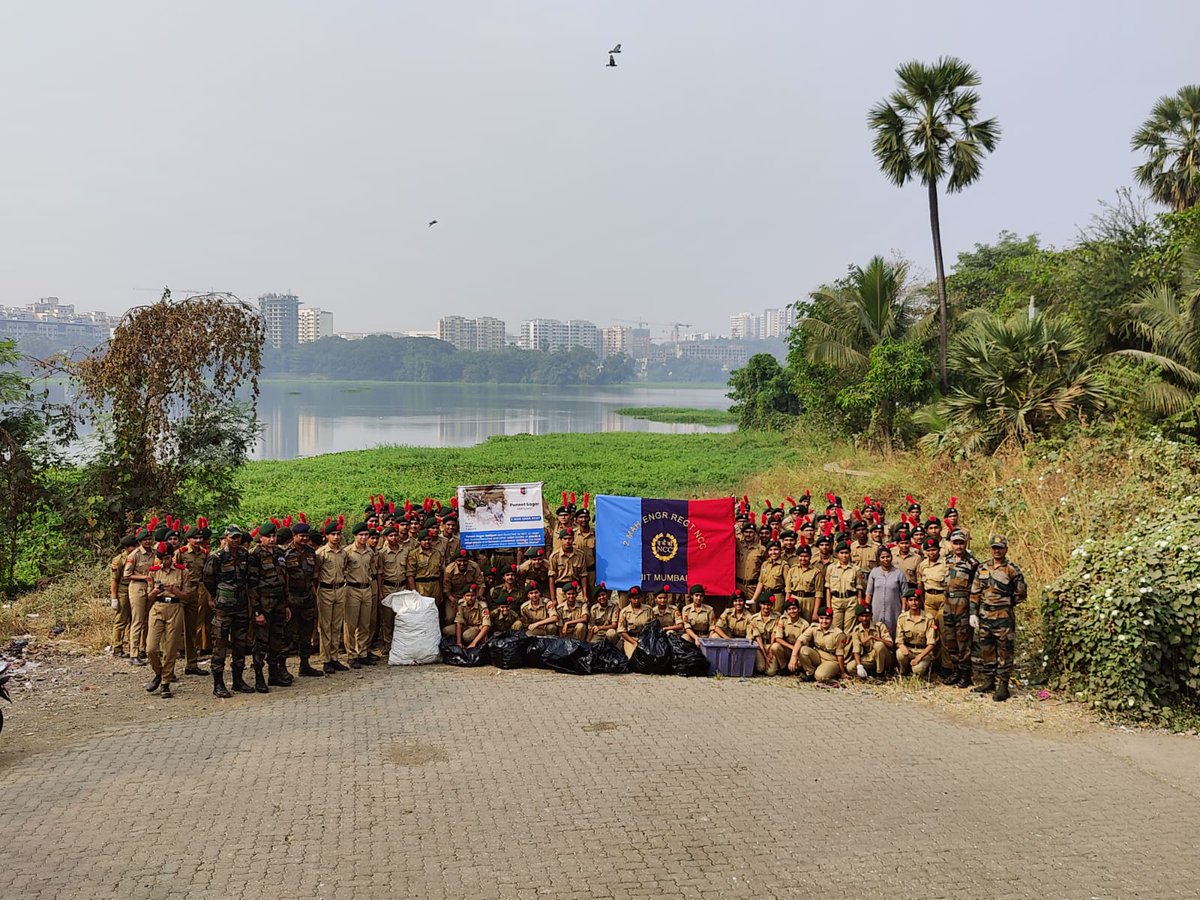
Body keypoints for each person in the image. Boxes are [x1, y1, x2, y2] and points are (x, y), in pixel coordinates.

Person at [970, 535, 1027, 702]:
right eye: (994, 547)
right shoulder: (982, 568)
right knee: (986, 649)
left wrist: (1005, 604)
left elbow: (1021, 593)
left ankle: (1003, 685)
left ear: (1006, 549)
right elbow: (975, 592)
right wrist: (973, 612)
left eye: (1000, 547)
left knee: (1005, 651)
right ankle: (989, 681)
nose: (997, 550)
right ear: (990, 549)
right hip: (984, 617)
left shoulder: (1012, 569)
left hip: (1003, 618)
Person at [203, 525, 257, 697]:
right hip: (223, 608)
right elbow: (208, 580)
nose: (235, 540)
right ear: (225, 538)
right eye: (232, 537)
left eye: (238, 537)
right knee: (220, 644)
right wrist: (217, 596)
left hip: (241, 606)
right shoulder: (216, 557)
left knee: (240, 644)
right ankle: (218, 684)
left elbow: (249, 579)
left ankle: (238, 680)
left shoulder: (244, 555)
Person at [144, 541, 192, 698]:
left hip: (175, 608)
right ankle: (158, 673)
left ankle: (165, 683)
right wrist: (155, 591)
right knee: (150, 648)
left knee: (171, 649)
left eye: (167, 558)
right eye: (162, 558)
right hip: (158, 608)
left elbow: (187, 596)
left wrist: (175, 591)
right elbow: (148, 596)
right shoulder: (153, 572)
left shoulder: (182, 572)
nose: (165, 561)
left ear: (172, 556)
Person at [250, 522, 292, 691]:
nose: (272, 539)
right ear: (261, 538)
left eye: (274, 536)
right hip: (264, 604)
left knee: (277, 639)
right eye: (269, 537)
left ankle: (273, 674)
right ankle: (259, 677)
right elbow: (252, 586)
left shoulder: (280, 553)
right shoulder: (255, 556)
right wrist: (257, 611)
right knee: (261, 642)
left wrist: (286, 604)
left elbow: (285, 580)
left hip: (280, 603)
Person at [280, 523, 322, 677]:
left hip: (307, 598)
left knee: (306, 633)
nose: (304, 539)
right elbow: (282, 577)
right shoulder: (285, 553)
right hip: (291, 598)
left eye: (306, 536)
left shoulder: (311, 552)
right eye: (301, 536)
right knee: (287, 634)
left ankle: (304, 665)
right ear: (294, 536)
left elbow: (313, 577)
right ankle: (282, 667)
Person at [942, 529, 978, 688]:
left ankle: (965, 674)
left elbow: (977, 588)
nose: (958, 546)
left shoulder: (972, 563)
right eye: (955, 543)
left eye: (961, 543)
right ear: (951, 544)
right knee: (950, 639)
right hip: (948, 603)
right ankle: (955, 671)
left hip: (963, 605)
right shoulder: (947, 560)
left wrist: (973, 611)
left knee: (963, 641)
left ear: (965, 543)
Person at [314, 520, 349, 674]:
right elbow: (316, 574)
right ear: (327, 536)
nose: (336, 537)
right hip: (325, 590)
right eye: (333, 534)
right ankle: (325, 659)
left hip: (340, 589)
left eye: (338, 534)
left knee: (336, 626)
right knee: (325, 627)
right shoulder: (321, 553)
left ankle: (334, 658)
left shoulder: (343, 553)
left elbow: (345, 568)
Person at [343, 522, 378, 669]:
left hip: (366, 588)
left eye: (366, 535)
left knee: (365, 623)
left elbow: (371, 569)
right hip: (352, 589)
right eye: (361, 535)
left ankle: (362, 653)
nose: (364, 538)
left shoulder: (370, 552)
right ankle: (351, 655)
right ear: (355, 536)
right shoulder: (347, 552)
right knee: (350, 624)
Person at [916, 536, 950, 670]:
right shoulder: (923, 565)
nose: (931, 553)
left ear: (939, 550)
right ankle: (933, 662)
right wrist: (921, 601)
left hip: (942, 598)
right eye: (928, 550)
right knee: (931, 633)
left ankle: (946, 664)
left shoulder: (945, 564)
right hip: (929, 600)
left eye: (934, 550)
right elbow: (920, 585)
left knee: (944, 633)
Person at [123, 529, 156, 665]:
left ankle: (144, 648)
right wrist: (144, 577)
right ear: (140, 542)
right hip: (138, 587)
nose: (148, 541)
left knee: (148, 620)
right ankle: (134, 653)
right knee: (137, 620)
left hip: (151, 587)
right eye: (145, 540)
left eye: (149, 539)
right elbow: (126, 574)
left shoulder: (154, 553)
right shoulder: (135, 555)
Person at [790, 606, 848, 683]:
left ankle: (830, 673)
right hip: (817, 654)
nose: (824, 621)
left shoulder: (838, 633)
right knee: (802, 649)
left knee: (820, 677)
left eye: (827, 618)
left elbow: (840, 655)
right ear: (818, 618)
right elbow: (800, 640)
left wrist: (843, 672)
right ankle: (810, 673)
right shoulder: (814, 627)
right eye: (821, 618)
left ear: (831, 619)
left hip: (831, 660)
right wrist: (793, 657)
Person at [864, 546, 907, 636]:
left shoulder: (898, 573)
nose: (886, 559)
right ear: (879, 559)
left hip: (893, 609)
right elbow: (869, 593)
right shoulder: (874, 572)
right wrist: (866, 609)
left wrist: (903, 610)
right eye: (883, 557)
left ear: (891, 557)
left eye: (888, 557)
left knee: (894, 631)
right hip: (877, 609)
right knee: (877, 630)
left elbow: (904, 594)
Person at [895, 591, 937, 678]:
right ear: (906, 602)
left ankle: (918, 671)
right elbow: (898, 640)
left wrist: (919, 657)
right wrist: (902, 647)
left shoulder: (928, 618)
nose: (914, 603)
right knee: (900, 654)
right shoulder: (902, 618)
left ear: (920, 601)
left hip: (922, 652)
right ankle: (903, 672)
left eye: (916, 600)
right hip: (909, 650)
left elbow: (931, 644)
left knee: (918, 670)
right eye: (911, 600)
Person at [848, 604, 895, 679]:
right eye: (862, 616)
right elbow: (856, 650)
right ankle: (869, 674)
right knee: (850, 667)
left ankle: (880, 674)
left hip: (885, 658)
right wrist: (859, 666)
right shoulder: (856, 630)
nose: (865, 618)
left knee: (879, 645)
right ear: (858, 618)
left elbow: (890, 644)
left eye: (867, 616)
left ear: (871, 616)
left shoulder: (879, 626)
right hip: (870, 657)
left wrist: (873, 637)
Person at [108, 534, 136, 658]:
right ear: (126, 547)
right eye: (132, 546)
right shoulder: (119, 560)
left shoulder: (136, 557)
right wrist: (114, 598)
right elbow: (114, 580)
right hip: (123, 590)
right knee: (121, 619)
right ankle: (117, 647)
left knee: (133, 619)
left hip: (135, 588)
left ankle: (133, 646)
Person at [783, 543, 824, 622]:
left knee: (808, 624)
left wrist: (815, 612)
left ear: (810, 557)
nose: (803, 558)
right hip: (794, 599)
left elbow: (818, 594)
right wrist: (786, 607)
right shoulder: (792, 570)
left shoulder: (816, 572)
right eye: (801, 556)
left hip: (809, 601)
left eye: (806, 556)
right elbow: (788, 590)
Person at [824, 542, 859, 634]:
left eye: (846, 553)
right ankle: (837, 648)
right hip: (836, 601)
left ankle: (847, 648)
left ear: (849, 553)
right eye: (841, 553)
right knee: (835, 628)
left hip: (851, 600)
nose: (844, 555)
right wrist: (828, 606)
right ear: (837, 554)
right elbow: (828, 588)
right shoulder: (831, 568)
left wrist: (859, 604)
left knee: (849, 630)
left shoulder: (855, 569)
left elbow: (859, 588)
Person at [443, 550, 484, 626]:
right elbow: (446, 588)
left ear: (468, 560)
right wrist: (451, 598)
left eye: (465, 561)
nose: (462, 564)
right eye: (459, 561)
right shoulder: (449, 570)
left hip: (471, 595)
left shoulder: (474, 567)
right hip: (454, 596)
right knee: (450, 618)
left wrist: (479, 596)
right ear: (455, 561)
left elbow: (481, 584)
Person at [770, 598, 809, 676]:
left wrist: (795, 652)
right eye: (789, 609)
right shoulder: (783, 619)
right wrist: (792, 647)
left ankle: (798, 669)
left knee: (800, 662)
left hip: (799, 651)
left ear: (799, 609)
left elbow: (804, 644)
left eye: (794, 608)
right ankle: (784, 667)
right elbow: (778, 638)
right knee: (775, 647)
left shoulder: (805, 624)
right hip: (787, 648)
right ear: (787, 612)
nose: (792, 611)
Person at [547, 530, 589, 602]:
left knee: (583, 606)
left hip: (575, 586)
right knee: (561, 609)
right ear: (560, 540)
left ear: (573, 539)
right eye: (565, 539)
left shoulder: (580, 555)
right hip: (561, 587)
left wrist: (585, 595)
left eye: (570, 538)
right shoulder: (554, 556)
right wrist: (553, 598)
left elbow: (583, 575)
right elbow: (551, 577)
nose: (567, 541)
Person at [447, 584, 491, 649]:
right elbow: (459, 622)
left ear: (476, 596)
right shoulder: (461, 604)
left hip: (477, 628)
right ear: (464, 596)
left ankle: (481, 639)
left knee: (466, 636)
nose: (470, 598)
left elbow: (486, 626)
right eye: (468, 596)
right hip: (466, 626)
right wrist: (458, 642)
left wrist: (473, 643)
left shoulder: (482, 605)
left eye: (472, 595)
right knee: (446, 630)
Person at [616, 586, 653, 658]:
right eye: (634, 599)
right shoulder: (624, 612)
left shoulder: (648, 609)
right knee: (633, 657)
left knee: (650, 657)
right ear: (629, 599)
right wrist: (633, 642)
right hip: (631, 639)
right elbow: (622, 631)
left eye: (638, 598)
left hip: (646, 639)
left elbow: (653, 626)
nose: (636, 601)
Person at [751, 541, 786, 611]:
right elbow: (760, 583)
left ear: (780, 551)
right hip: (765, 595)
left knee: (776, 617)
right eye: (770, 550)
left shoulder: (784, 565)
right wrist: (753, 599)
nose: (773, 552)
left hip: (777, 597)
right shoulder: (765, 564)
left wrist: (787, 604)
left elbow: (788, 587)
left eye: (776, 549)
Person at [749, 597, 780, 674]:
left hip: (771, 645)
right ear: (760, 605)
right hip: (760, 646)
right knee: (760, 668)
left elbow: (774, 634)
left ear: (772, 606)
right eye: (764, 605)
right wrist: (766, 657)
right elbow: (757, 637)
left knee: (771, 672)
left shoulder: (777, 617)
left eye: (769, 605)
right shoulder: (754, 618)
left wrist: (770, 652)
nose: (766, 607)